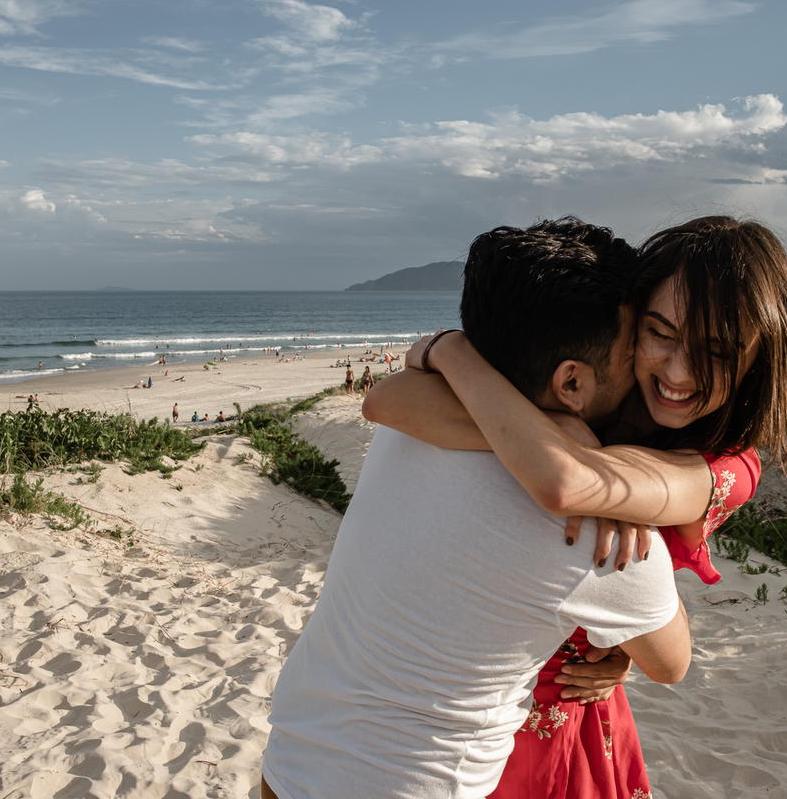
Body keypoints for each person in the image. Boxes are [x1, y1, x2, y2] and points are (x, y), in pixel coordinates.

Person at [364, 215, 787, 799]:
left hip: (569, 704)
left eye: (718, 352)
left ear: (758, 363)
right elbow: (391, 399)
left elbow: (572, 487)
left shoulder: (724, 467)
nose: (678, 372)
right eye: (660, 332)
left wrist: (457, 359)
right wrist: (563, 423)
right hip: (471, 705)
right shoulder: (596, 389)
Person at [261, 219, 703, 799]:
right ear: (571, 383)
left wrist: (458, 357)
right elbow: (671, 662)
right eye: (633, 350)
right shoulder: (597, 530)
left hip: (291, 761)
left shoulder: (415, 422)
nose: (648, 366)